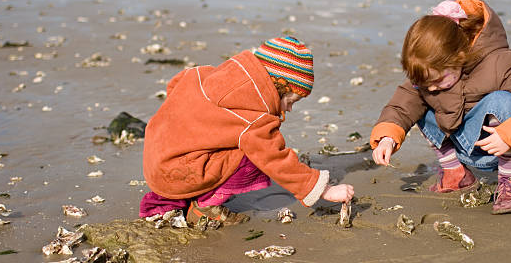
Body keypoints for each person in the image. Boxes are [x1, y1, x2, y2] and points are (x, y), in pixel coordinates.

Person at [371, 0, 511, 214]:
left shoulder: (500, 63)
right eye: (426, 82)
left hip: (503, 146)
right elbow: (401, 105)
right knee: (416, 99)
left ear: (459, 57)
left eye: (437, 81)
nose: (432, 88)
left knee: (501, 100)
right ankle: (455, 173)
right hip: (461, 145)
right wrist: (387, 137)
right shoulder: (430, 75)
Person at [141, 36, 354, 225]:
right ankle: (206, 206)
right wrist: (323, 189)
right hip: (180, 172)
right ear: (280, 86)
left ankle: (178, 195)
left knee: (231, 140)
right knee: (255, 153)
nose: (289, 108)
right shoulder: (253, 116)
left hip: (157, 161)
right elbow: (275, 159)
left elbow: (175, 84)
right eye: (292, 100)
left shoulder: (207, 73)